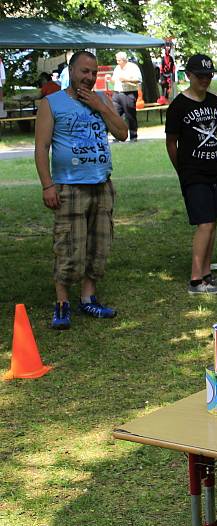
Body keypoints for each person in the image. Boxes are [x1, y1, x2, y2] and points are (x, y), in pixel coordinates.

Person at [34, 50, 128, 329]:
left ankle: (89, 298)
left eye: (93, 72)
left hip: (101, 184)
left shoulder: (102, 99)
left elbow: (122, 133)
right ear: (71, 71)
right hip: (69, 186)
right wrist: (47, 185)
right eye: (83, 71)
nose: (88, 77)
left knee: (99, 246)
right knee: (68, 247)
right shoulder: (52, 103)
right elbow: (41, 148)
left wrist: (102, 108)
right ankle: (62, 304)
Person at [165, 54, 217, 296]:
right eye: (200, 75)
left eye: (209, 75)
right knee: (204, 223)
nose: (205, 79)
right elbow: (171, 142)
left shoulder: (214, 101)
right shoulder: (178, 106)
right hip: (193, 172)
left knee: (213, 223)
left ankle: (206, 273)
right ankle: (196, 280)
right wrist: (182, 169)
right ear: (189, 76)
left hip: (215, 168)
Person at [111, 51, 142, 142]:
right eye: (117, 60)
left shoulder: (133, 67)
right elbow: (114, 79)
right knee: (115, 114)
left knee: (130, 115)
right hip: (117, 93)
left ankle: (133, 136)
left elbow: (138, 80)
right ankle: (117, 136)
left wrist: (126, 80)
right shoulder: (117, 68)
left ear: (124, 60)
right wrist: (112, 80)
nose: (117, 62)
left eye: (119, 60)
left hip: (129, 93)